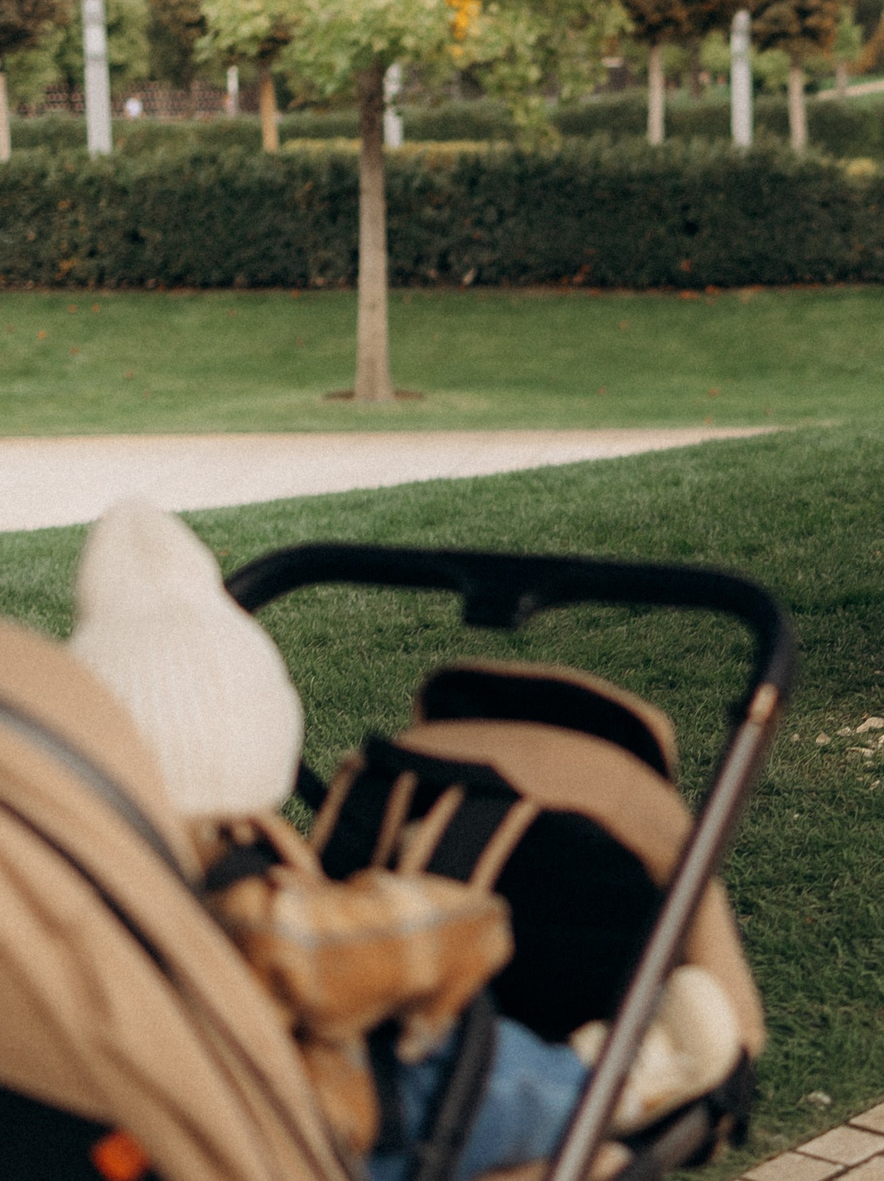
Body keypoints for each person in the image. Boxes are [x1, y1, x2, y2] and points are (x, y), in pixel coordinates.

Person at [66, 501, 738, 1181]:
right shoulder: (237, 904)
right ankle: (608, 1079)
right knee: (452, 1069)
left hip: (160, 1120)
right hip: (323, 1132)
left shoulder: (70, 885)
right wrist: (461, 924)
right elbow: (338, 949)